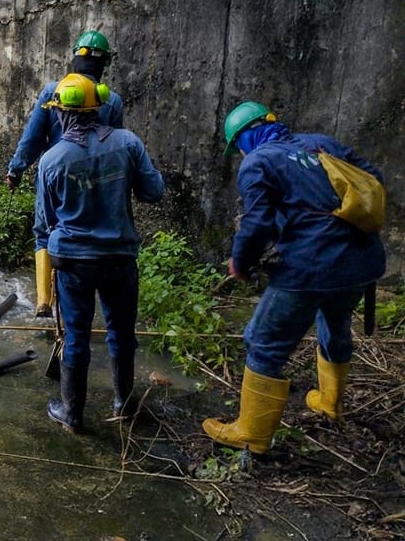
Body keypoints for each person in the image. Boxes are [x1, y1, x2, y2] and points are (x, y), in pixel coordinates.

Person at [203, 101, 386, 454]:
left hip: (309, 267)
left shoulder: (258, 161)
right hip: (362, 263)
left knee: (262, 342)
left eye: (237, 147)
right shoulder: (322, 144)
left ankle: (252, 435)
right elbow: (372, 180)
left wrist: (240, 262)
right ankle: (330, 403)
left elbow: (257, 222)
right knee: (335, 321)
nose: (240, 155)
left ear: (245, 138)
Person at [33, 73, 164, 432]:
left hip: (73, 263)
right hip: (120, 258)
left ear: (60, 113)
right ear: (98, 107)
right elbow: (153, 191)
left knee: (76, 335)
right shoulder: (128, 143)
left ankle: (72, 414)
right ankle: (124, 404)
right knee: (122, 332)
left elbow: (45, 223)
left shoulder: (51, 160)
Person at [6, 30, 125, 318]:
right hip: (93, 181)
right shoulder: (112, 101)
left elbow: (33, 138)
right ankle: (76, 302)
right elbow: (116, 146)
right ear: (104, 64)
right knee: (84, 234)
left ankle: (44, 301)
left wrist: (15, 170)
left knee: (44, 233)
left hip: (54, 177)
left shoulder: (53, 92)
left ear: (75, 58)